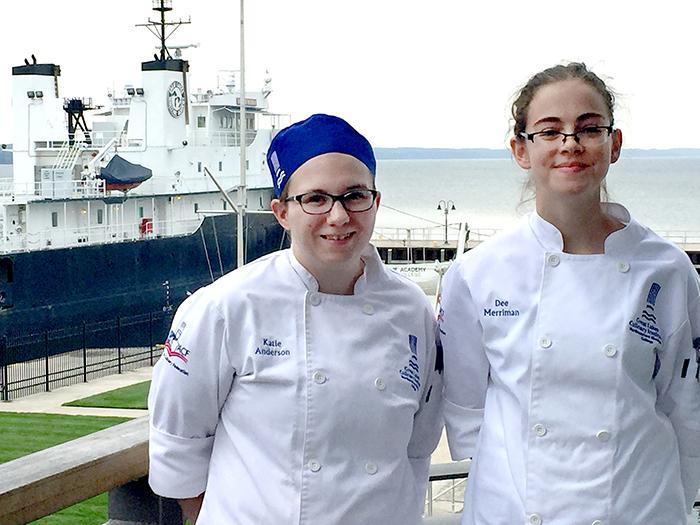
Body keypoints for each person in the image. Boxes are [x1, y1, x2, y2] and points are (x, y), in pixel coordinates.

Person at [148, 113, 443, 524]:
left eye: (355, 195)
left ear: (376, 202)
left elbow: (418, 443)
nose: (338, 217)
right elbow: (180, 445)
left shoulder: (411, 307)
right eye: (315, 198)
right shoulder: (226, 307)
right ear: (282, 212)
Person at [439, 63, 700, 525]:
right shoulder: (477, 274)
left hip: (638, 510)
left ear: (613, 144)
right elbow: (467, 415)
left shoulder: (668, 270)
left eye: (588, 128)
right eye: (549, 131)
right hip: (514, 513)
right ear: (521, 149)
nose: (570, 144)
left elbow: (686, 409)